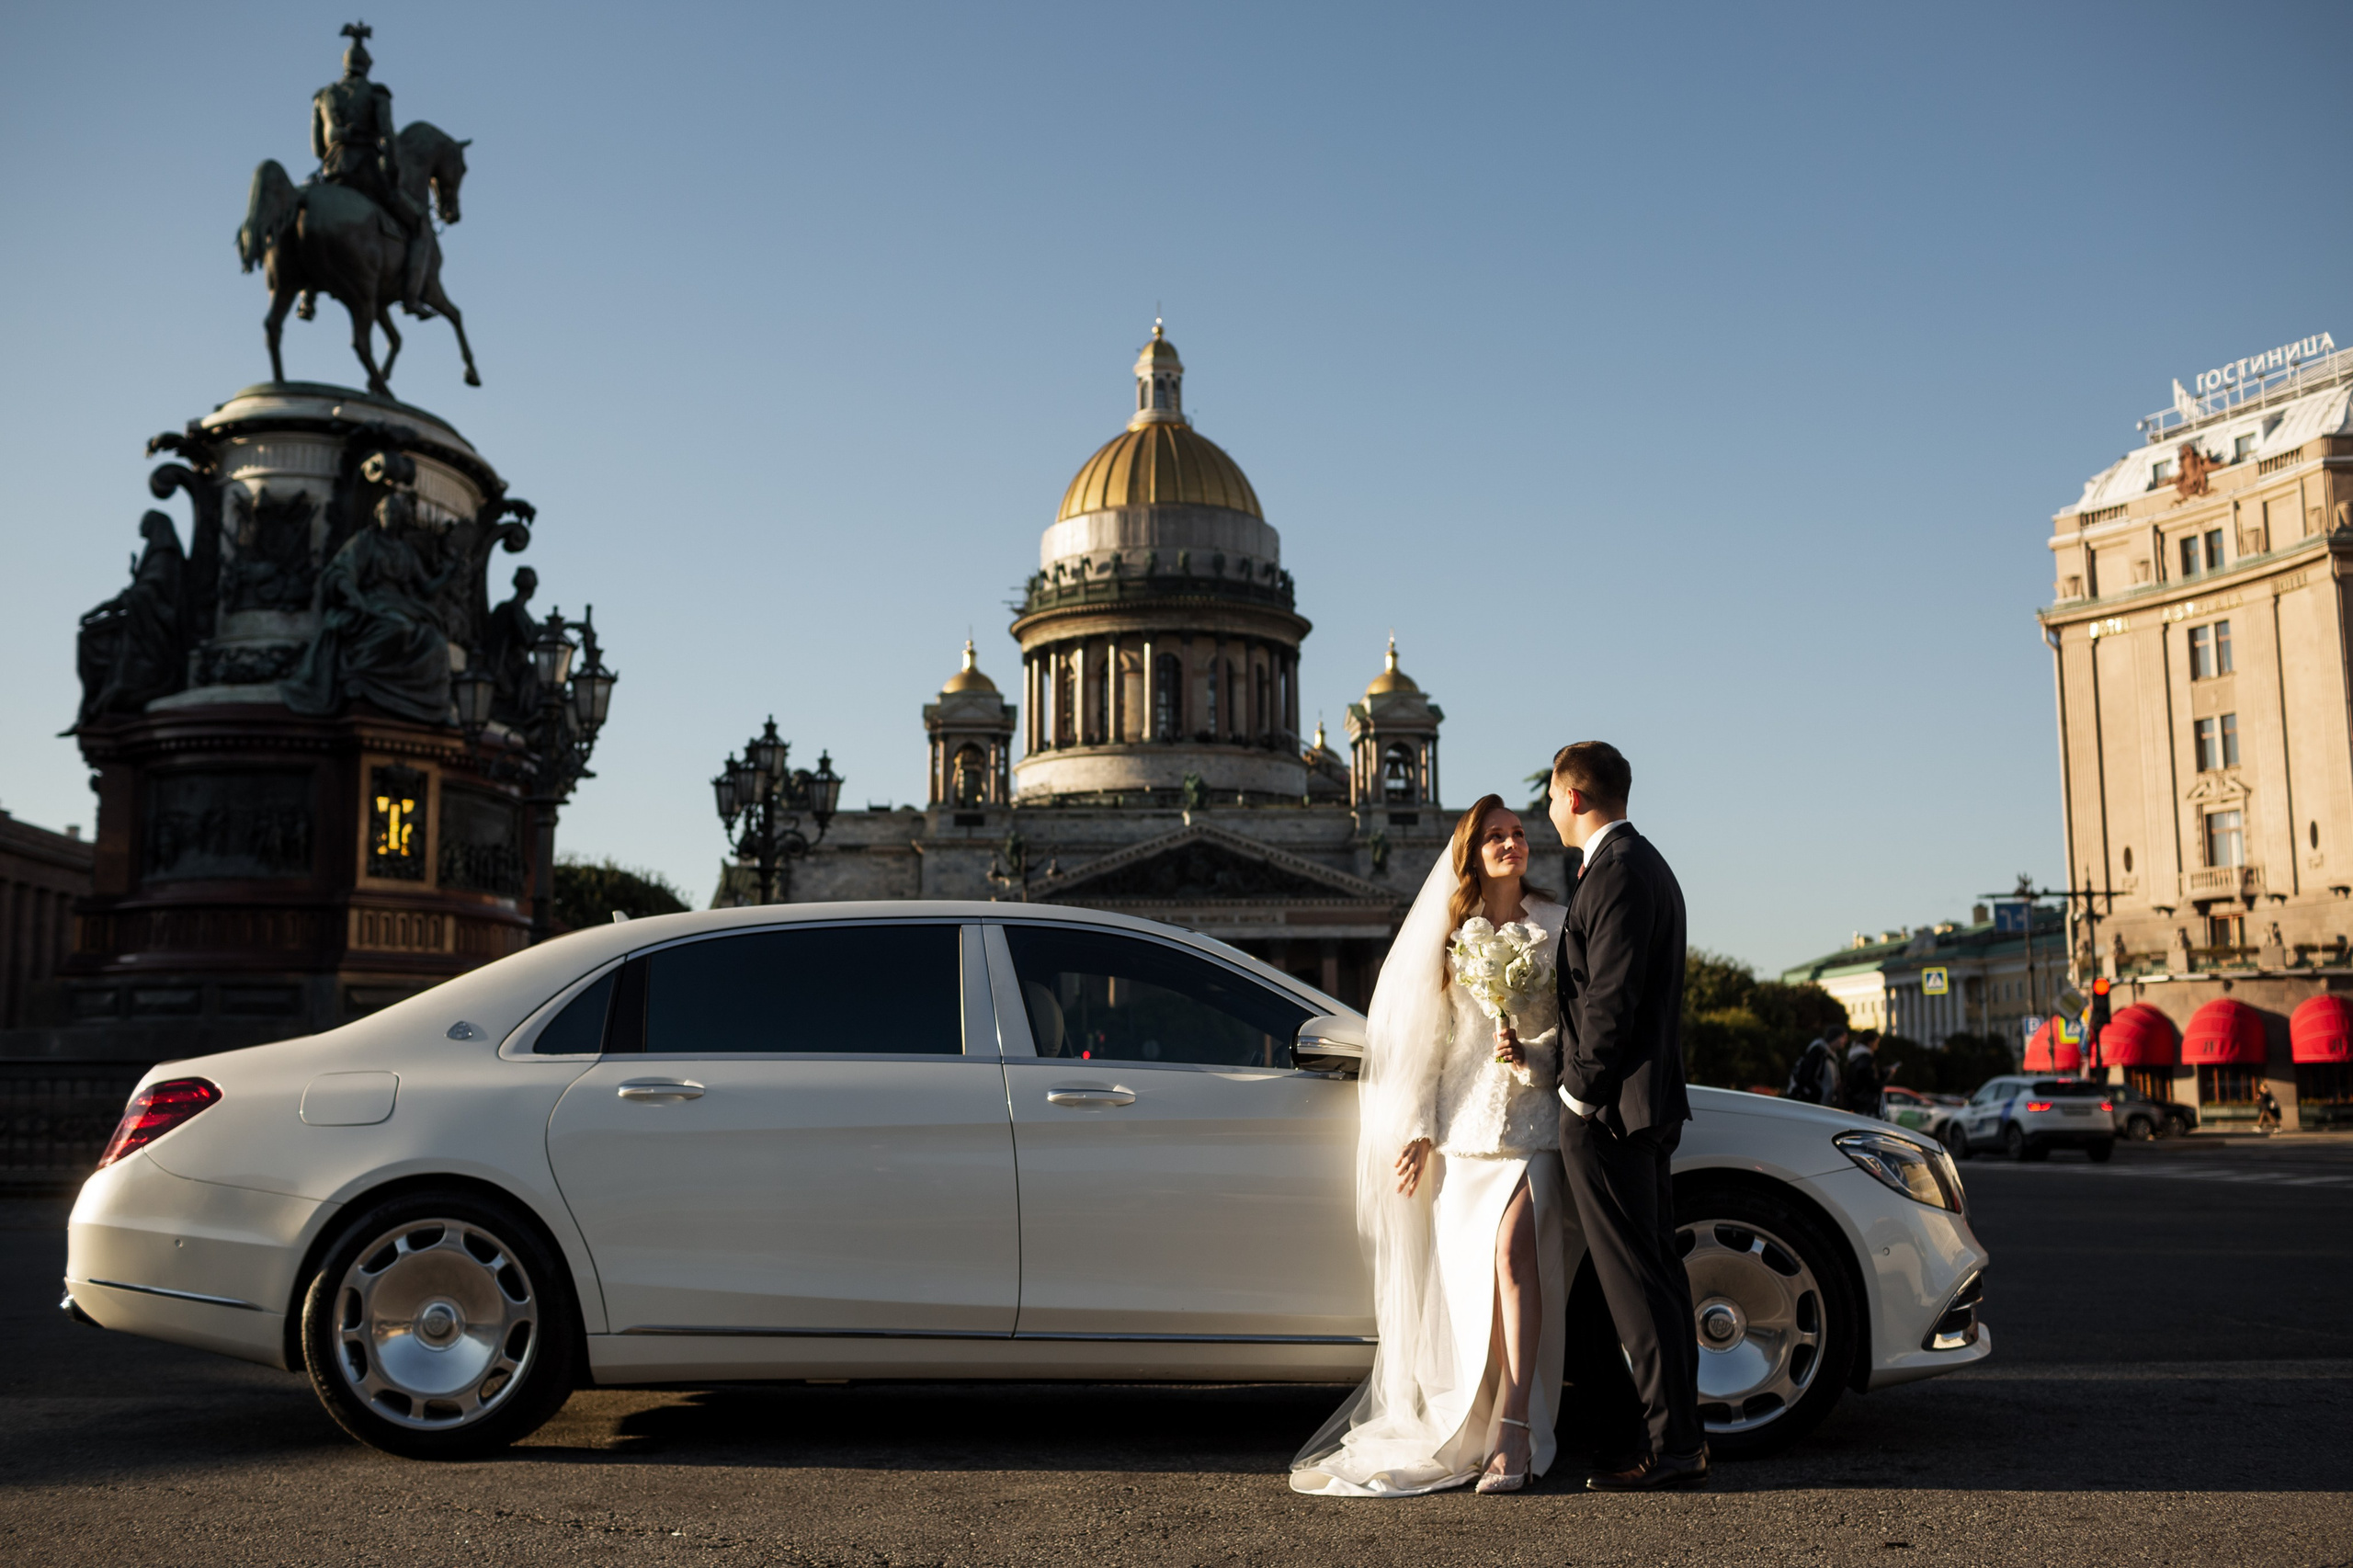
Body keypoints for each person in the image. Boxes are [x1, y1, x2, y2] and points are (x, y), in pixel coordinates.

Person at [1291, 795, 1570, 1496]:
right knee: (1477, 1283)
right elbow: (1423, 1043)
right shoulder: (1452, 933)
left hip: (1535, 1121)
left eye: (1518, 834)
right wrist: (1416, 1128)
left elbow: (1577, 1031)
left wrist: (1530, 1055)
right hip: (1461, 1130)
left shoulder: (1560, 926)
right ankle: (1476, 1423)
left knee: (1514, 1259)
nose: (1513, 844)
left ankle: (1514, 1425)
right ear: (1472, 853)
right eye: (1497, 837)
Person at [1546, 741, 1707, 1492]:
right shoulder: (1643, 864)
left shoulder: (1616, 873)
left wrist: (1578, 1094)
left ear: (1574, 797)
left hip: (1609, 1111)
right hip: (1637, 1105)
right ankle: (1679, 1439)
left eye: (1550, 799)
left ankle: (1669, 1447)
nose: (1548, 812)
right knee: (1656, 1279)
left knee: (1636, 1287)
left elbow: (1609, 999)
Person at [1787, 1024, 1847, 1105]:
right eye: (1843, 1037)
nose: (1845, 1041)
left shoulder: (1831, 1056)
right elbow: (1809, 1076)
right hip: (1813, 1101)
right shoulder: (1819, 1052)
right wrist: (1817, 1094)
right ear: (1836, 1037)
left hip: (1821, 1101)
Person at [1839, 1032, 1887, 1119]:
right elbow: (1871, 1083)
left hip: (1857, 1103)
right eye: (1876, 1043)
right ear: (1870, 1043)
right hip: (1865, 1104)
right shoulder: (1866, 1059)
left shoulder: (1855, 1057)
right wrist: (1884, 1076)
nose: (1877, 1047)